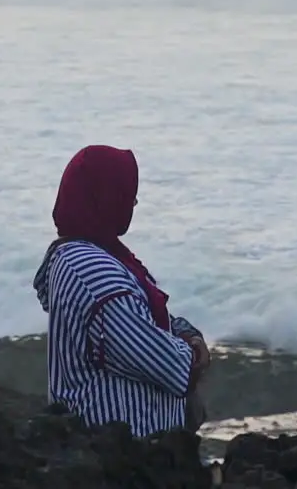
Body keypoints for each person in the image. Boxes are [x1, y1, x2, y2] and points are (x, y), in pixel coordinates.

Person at [32, 144, 211, 437]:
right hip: (118, 457)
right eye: (125, 192)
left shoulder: (95, 254)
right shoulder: (92, 270)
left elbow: (151, 320)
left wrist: (188, 333)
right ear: (101, 196)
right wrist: (192, 351)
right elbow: (165, 363)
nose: (135, 202)